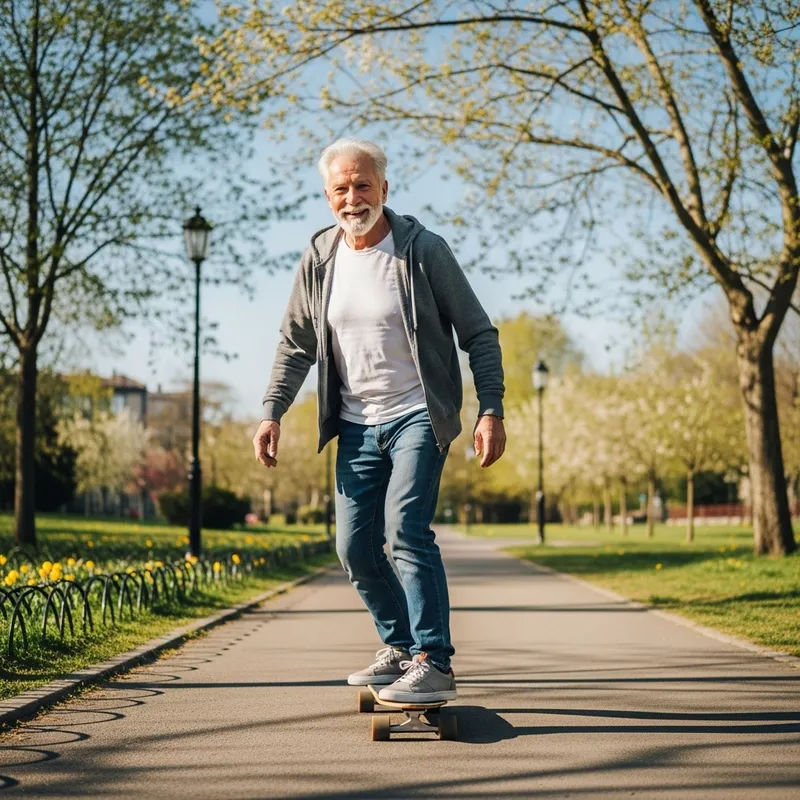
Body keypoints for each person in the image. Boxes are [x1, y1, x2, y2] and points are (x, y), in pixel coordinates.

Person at [252, 138, 506, 703]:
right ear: (326, 196)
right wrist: (272, 412)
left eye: (363, 185)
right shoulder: (319, 259)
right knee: (353, 546)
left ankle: (433, 660)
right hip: (355, 423)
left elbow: (478, 334)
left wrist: (491, 408)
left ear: (384, 189)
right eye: (340, 188)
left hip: (419, 413)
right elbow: (295, 345)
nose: (352, 198)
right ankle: (399, 648)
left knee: (405, 531)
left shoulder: (422, 251)